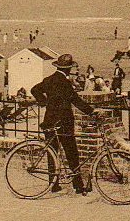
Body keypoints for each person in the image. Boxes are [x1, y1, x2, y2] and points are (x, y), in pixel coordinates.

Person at [30, 54, 96, 195]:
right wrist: (92, 112)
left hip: (49, 122)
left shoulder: (48, 80)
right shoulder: (65, 83)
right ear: (67, 69)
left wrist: (44, 102)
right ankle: (78, 186)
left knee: (52, 152)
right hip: (64, 123)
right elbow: (76, 100)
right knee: (72, 154)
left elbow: (34, 90)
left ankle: (53, 185)